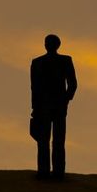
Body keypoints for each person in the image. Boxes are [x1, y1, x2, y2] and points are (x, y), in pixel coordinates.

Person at [31, 34, 77, 179]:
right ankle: (44, 171)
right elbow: (34, 87)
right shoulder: (37, 62)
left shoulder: (65, 60)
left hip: (57, 106)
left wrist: (65, 100)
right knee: (43, 140)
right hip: (43, 106)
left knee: (57, 139)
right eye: (47, 42)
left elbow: (72, 84)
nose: (48, 45)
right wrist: (35, 108)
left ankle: (58, 172)